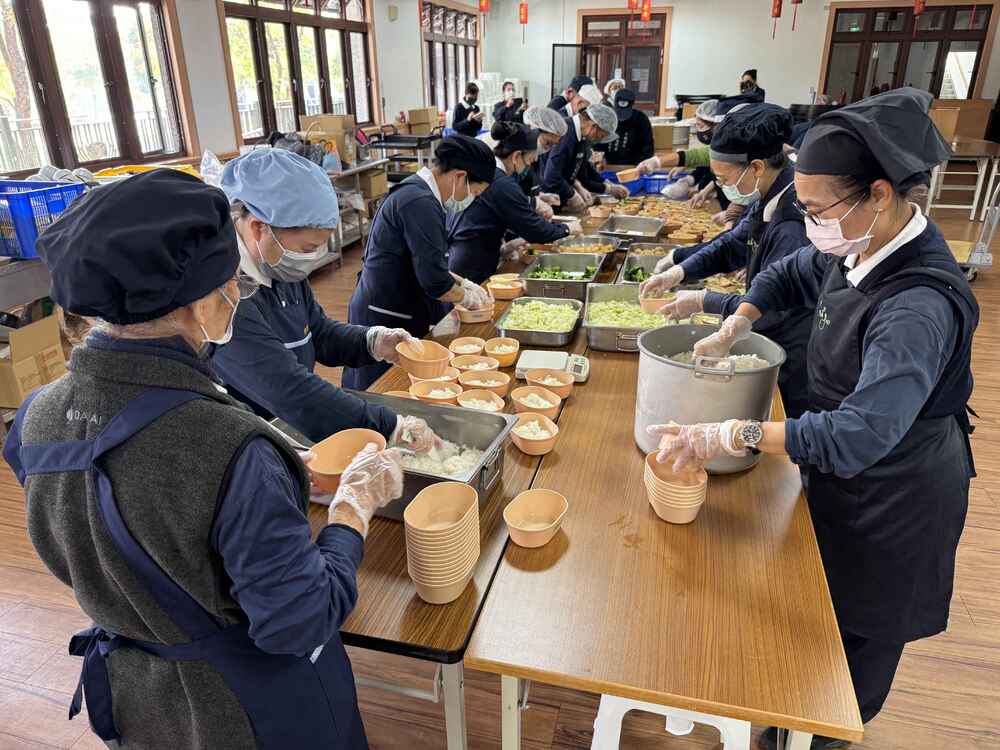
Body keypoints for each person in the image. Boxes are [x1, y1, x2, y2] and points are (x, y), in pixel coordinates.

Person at [5, 168, 405, 749]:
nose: (237, 293)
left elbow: (111, 525)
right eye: (229, 282)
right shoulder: (232, 449)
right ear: (196, 303)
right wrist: (351, 508)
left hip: (137, 702)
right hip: (247, 713)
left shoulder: (34, 419)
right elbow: (299, 621)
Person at [649, 89, 975, 750]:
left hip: (898, 493)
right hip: (843, 466)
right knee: (815, 612)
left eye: (818, 208)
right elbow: (790, 273)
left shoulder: (916, 304)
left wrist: (730, 435)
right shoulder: (855, 242)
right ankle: (788, 724)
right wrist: (734, 320)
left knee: (855, 653)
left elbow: (861, 433)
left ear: (879, 194)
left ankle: (819, 736)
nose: (810, 221)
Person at [212, 149, 440, 450]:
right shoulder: (222, 293)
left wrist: (371, 342)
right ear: (258, 227)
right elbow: (288, 388)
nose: (312, 258)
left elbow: (316, 332)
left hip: (290, 426)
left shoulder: (278, 266)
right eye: (307, 248)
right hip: (248, 441)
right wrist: (392, 426)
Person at [639, 104, 813, 418]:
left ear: (757, 167)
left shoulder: (791, 222)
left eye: (722, 178)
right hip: (760, 331)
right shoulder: (769, 192)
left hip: (789, 353)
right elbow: (733, 244)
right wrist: (680, 270)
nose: (720, 186)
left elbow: (772, 305)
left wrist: (707, 300)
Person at [345, 135, 495, 389]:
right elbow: (435, 281)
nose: (473, 198)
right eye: (476, 192)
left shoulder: (420, 194)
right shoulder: (420, 202)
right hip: (385, 311)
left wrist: (466, 283)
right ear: (460, 176)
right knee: (380, 390)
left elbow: (429, 261)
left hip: (393, 305)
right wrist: (466, 298)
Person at [449, 122, 580, 283]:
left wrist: (506, 245)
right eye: (529, 160)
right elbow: (535, 229)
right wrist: (567, 229)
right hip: (472, 263)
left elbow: (491, 212)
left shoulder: (490, 172)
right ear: (517, 156)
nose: (529, 166)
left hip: (470, 253)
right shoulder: (501, 182)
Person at [539, 102, 628, 211]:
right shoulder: (566, 133)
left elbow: (585, 173)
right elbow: (551, 176)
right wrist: (572, 194)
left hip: (560, 200)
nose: (599, 140)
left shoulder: (582, 137)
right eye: (601, 136)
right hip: (547, 201)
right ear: (594, 126)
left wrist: (608, 186)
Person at [522, 105, 570, 211]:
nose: (548, 149)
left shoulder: (531, 158)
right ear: (533, 130)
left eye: (553, 145)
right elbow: (507, 196)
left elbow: (524, 191)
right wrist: (534, 202)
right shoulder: (514, 156)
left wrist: (539, 196)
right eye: (547, 143)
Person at [601, 89, 654, 166]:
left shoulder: (641, 119)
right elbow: (598, 143)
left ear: (632, 104)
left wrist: (640, 165)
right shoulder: (608, 117)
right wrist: (601, 158)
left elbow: (648, 147)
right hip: (609, 165)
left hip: (634, 165)